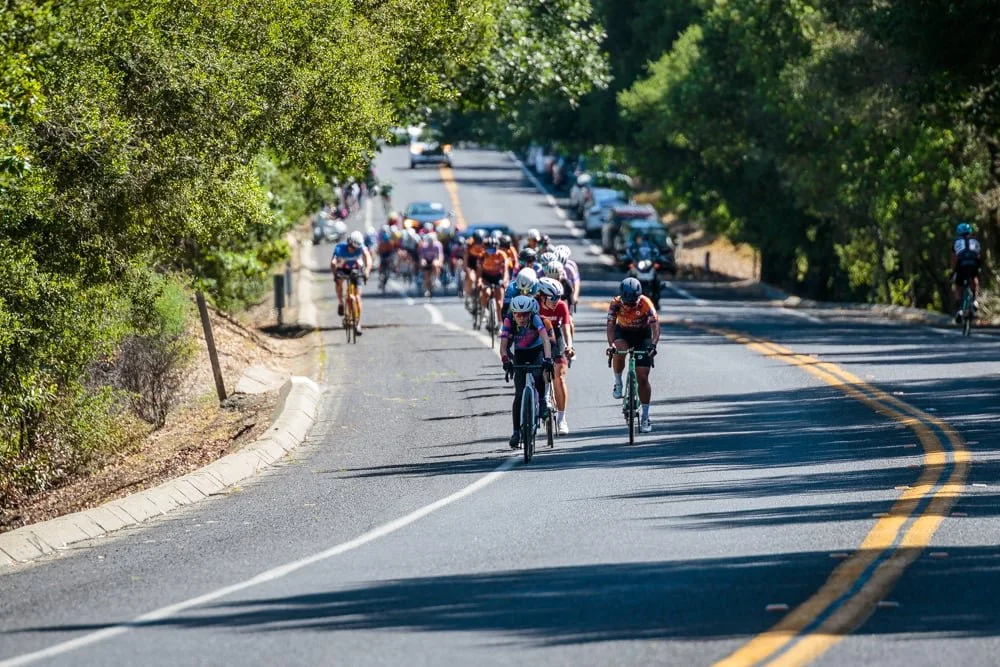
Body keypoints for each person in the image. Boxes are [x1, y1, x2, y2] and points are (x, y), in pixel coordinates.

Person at [606, 277, 659, 433]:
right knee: (619, 350)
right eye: (627, 303)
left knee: (642, 377)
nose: (629, 306)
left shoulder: (646, 304)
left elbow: (655, 327)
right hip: (623, 332)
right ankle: (618, 382)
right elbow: (610, 325)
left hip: (643, 334)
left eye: (633, 302)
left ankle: (645, 416)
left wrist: (653, 345)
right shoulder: (615, 303)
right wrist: (611, 346)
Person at [500, 295, 554, 448]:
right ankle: (516, 432)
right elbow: (503, 346)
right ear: (513, 313)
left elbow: (545, 340)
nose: (521, 318)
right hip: (520, 354)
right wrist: (506, 361)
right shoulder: (509, 320)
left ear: (530, 313)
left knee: (539, 374)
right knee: (518, 393)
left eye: (524, 314)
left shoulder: (536, 319)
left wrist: (548, 359)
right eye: (518, 314)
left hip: (536, 351)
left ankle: (543, 400)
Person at [537, 277, 574, 434]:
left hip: (555, 336)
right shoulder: (535, 305)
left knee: (559, 376)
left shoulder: (561, 306)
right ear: (542, 296)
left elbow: (566, 328)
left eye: (559, 297)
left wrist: (569, 346)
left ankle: (561, 418)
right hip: (538, 336)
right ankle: (539, 402)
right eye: (553, 297)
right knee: (538, 370)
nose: (556, 300)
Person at [331, 230, 373, 332]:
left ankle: (358, 322)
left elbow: (368, 258)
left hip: (356, 270)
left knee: (357, 296)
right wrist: (335, 274)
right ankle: (341, 302)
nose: (353, 250)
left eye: (356, 248)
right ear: (349, 243)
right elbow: (333, 262)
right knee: (339, 282)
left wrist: (367, 271)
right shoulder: (340, 248)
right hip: (343, 269)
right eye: (352, 248)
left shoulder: (361, 247)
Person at [952, 221, 983, 323]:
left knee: (958, 286)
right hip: (973, 264)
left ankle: (959, 310)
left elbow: (954, 257)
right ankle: (974, 299)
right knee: (974, 278)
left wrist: (953, 271)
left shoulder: (956, 242)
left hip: (961, 265)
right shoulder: (975, 241)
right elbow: (978, 256)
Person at [478, 236, 509, 325]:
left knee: (499, 303)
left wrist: (505, 280)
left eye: (494, 249)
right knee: (486, 292)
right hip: (486, 276)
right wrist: (479, 280)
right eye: (490, 249)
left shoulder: (502, 255)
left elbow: (505, 270)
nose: (492, 251)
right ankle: (484, 310)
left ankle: (500, 324)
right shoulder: (482, 255)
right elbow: (479, 271)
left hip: (498, 277)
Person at [464, 230, 487, 305]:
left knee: (480, 282)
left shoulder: (486, 244)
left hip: (481, 263)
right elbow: (466, 257)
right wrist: (466, 267)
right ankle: (468, 294)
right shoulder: (469, 244)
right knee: (471, 278)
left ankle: (480, 298)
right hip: (472, 263)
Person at [419, 231, 444, 297]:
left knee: (435, 264)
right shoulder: (424, 246)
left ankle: (436, 279)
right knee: (426, 274)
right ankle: (427, 288)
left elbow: (440, 255)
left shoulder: (438, 245)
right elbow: (422, 257)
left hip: (435, 260)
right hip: (427, 261)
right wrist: (422, 262)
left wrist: (440, 262)